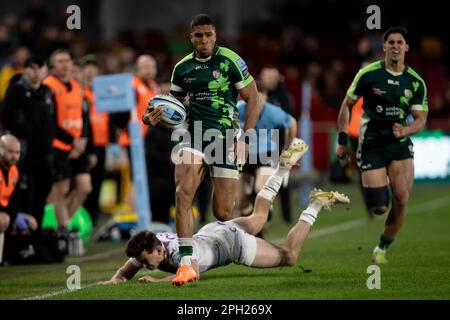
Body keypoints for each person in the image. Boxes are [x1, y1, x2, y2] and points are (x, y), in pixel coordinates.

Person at [99, 140, 350, 286]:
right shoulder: (152, 247)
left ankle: (315, 205)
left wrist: (157, 281)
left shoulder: (176, 254)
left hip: (230, 245)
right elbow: (128, 268)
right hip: (213, 232)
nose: (145, 266)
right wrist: (115, 279)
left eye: (146, 261)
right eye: (144, 263)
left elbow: (191, 273)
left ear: (159, 250)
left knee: (290, 257)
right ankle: (282, 168)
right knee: (259, 217)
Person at [142, 14, 259, 286]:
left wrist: (246, 138)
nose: (204, 40)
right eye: (198, 35)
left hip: (225, 137)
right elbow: (171, 106)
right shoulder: (182, 68)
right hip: (193, 135)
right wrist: (150, 117)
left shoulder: (231, 61)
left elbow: (253, 97)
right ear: (191, 37)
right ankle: (186, 264)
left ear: (215, 36)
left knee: (223, 213)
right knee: (183, 192)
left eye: (208, 35)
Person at [336, 27, 428, 264]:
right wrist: (342, 140)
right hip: (372, 143)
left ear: (406, 47)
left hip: (399, 144)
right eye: (391, 42)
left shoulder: (415, 82)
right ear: (384, 47)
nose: (396, 46)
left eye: (400, 42)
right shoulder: (368, 75)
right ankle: (382, 180)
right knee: (378, 206)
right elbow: (346, 104)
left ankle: (382, 247)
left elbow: (420, 119)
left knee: (402, 199)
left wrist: (405, 130)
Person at [1, 57, 54, 228]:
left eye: (40, 68)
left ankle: (34, 232)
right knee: (24, 194)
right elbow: (5, 116)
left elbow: (51, 121)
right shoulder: (16, 90)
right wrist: (22, 135)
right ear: (25, 70)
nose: (36, 73)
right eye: (32, 68)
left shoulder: (46, 91)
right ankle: (19, 234)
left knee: (42, 193)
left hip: (44, 152)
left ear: (45, 71)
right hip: (24, 152)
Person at [44, 49, 92, 235]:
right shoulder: (48, 86)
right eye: (59, 61)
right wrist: (73, 142)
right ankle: (64, 231)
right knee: (60, 190)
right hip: (58, 146)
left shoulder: (77, 87)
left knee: (84, 186)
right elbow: (50, 122)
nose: (64, 65)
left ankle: (64, 225)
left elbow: (84, 117)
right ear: (52, 66)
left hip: (78, 146)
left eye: (67, 61)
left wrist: (83, 142)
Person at [235, 81, 298, 225]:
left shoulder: (273, 113)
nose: (257, 102)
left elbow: (292, 123)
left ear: (266, 98)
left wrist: (287, 148)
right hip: (245, 156)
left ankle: (266, 206)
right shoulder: (239, 110)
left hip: (266, 153)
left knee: (259, 187)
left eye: (260, 98)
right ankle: (256, 230)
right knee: (240, 201)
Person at [80, 54, 109, 226]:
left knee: (97, 183)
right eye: (87, 67)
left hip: (102, 143)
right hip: (85, 145)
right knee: (84, 184)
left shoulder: (102, 93)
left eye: (94, 67)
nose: (91, 71)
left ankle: (92, 219)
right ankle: (80, 219)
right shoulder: (78, 92)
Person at [0, 134, 37, 264]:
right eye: (10, 151)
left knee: (14, 220)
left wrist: (21, 216)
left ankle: (5, 258)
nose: (14, 156)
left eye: (17, 152)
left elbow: (13, 200)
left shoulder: (14, 171)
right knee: (4, 219)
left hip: (5, 211)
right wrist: (14, 216)